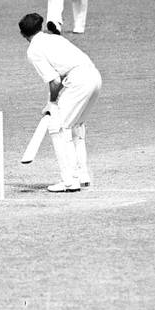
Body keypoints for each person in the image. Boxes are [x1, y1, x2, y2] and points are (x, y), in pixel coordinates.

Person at [19, 12, 102, 193]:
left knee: (57, 127)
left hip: (78, 81)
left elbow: (55, 81)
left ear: (23, 34)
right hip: (94, 77)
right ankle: (82, 175)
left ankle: (69, 181)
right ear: (40, 27)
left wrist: (51, 103)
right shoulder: (55, 39)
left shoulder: (33, 50)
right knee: (76, 125)